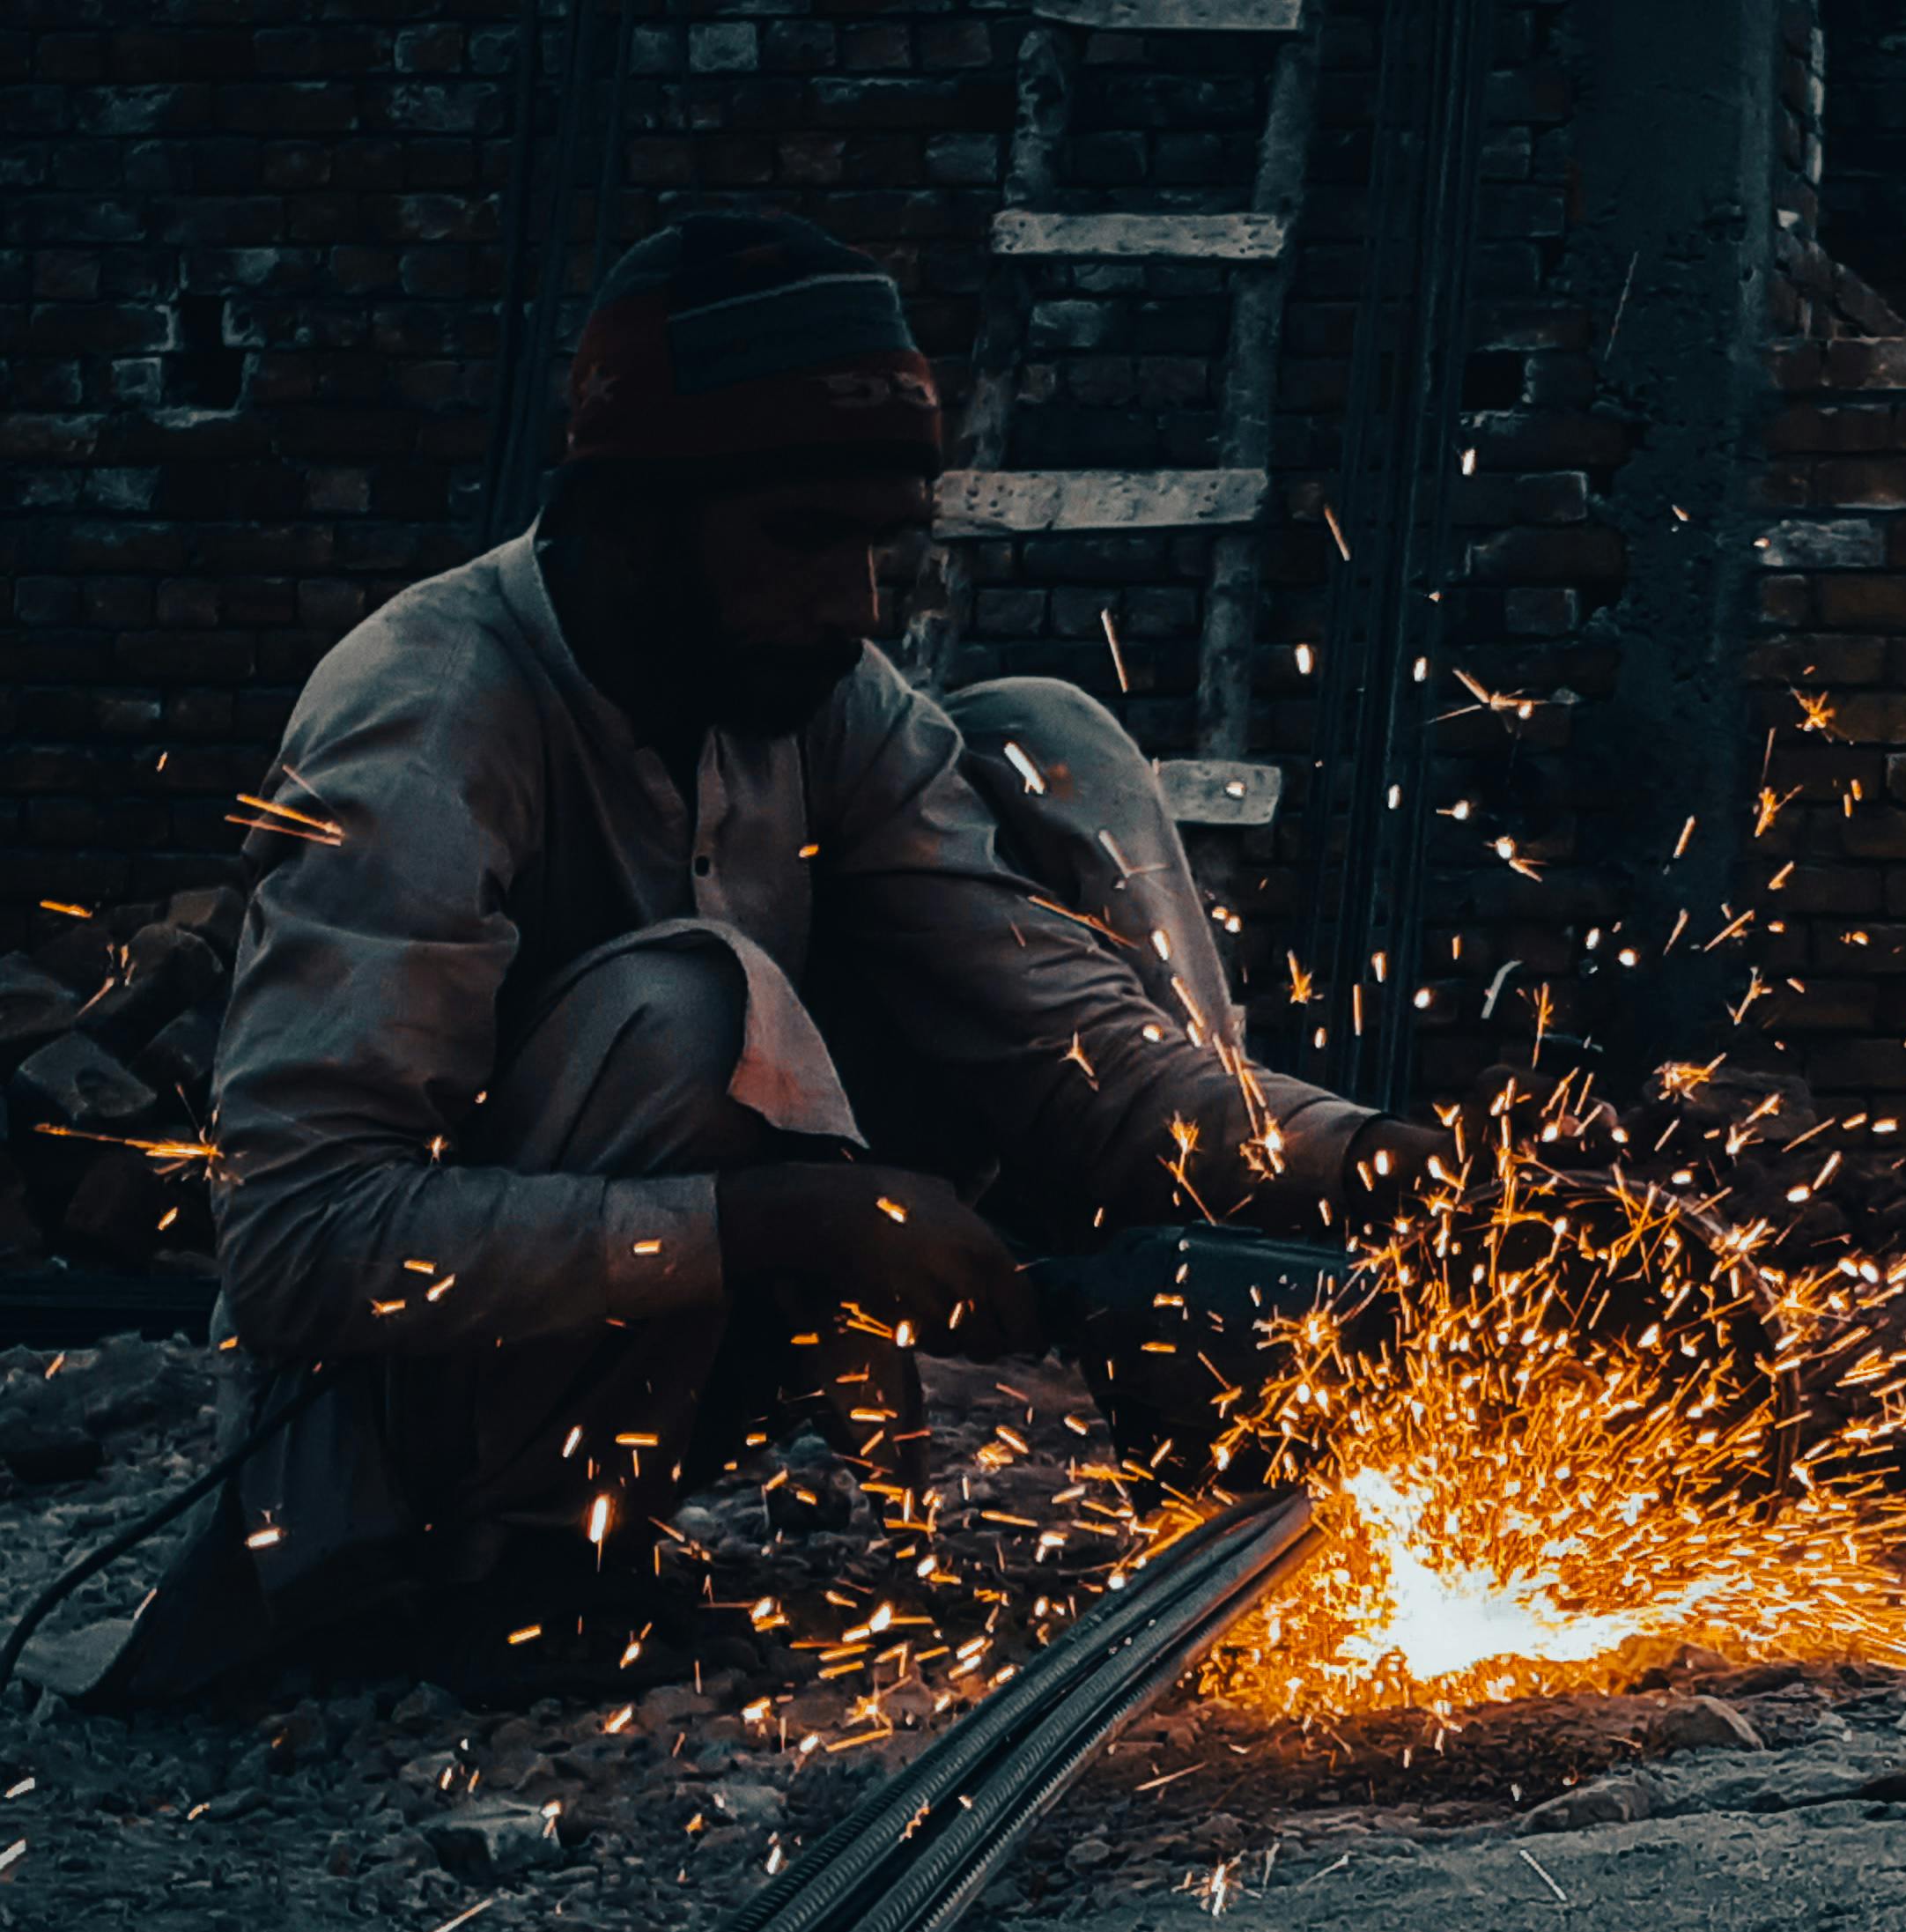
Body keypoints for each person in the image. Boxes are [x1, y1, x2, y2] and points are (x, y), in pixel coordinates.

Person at [109, 208, 1452, 1699]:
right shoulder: (429, 721)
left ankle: (1231, 1325)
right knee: (691, 998)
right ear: (623, 521)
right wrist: (779, 1226)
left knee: (1050, 743)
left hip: (682, 1357)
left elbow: (1068, 1037)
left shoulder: (826, 694)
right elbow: (299, 1245)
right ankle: (518, 1564)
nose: (857, 604)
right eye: (805, 541)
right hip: (384, 1456)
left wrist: (1398, 1168)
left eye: (884, 546)